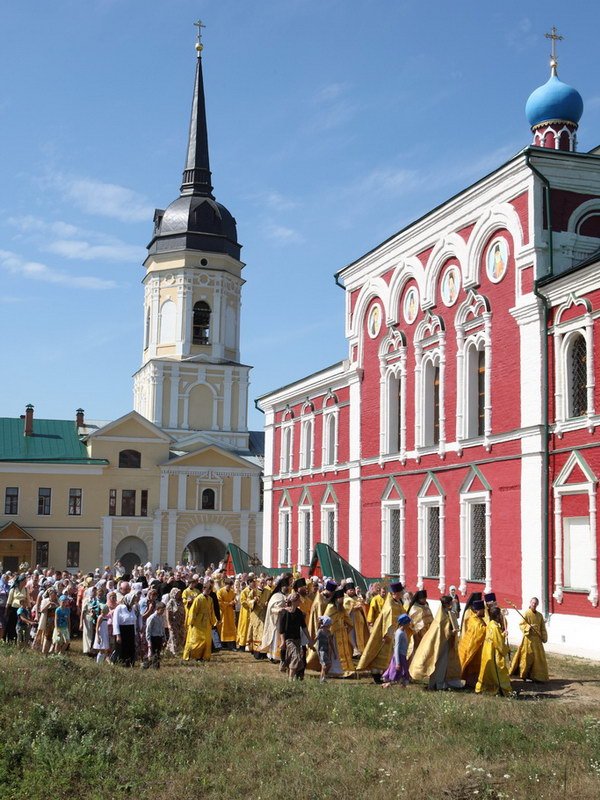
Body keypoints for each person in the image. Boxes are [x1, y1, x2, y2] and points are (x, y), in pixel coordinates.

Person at [409, 595, 463, 690]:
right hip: (440, 644)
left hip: (445, 643)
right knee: (439, 664)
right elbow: (442, 631)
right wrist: (451, 632)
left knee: (442, 664)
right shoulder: (442, 617)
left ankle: (436, 684)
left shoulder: (448, 614)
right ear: (447, 604)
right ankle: (438, 684)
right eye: (451, 603)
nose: (452, 605)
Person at [357, 581, 405, 683]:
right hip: (385, 633)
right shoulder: (390, 604)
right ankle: (376, 675)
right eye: (400, 592)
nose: (402, 594)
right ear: (395, 593)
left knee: (390, 654)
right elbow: (387, 619)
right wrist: (386, 633)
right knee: (379, 653)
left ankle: (388, 674)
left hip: (394, 633)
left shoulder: (398, 602)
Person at [509, 597, 549, 683]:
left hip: (537, 641)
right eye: (533, 603)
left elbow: (543, 628)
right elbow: (521, 624)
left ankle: (537, 676)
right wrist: (528, 628)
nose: (534, 604)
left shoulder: (539, 615)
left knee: (538, 659)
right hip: (528, 639)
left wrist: (544, 637)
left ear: (537, 605)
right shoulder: (526, 613)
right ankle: (524, 675)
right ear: (530, 603)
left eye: (535, 603)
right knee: (527, 658)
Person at [475, 606, 512, 696]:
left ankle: (482, 688)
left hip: (487, 649)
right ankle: (503, 690)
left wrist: (503, 634)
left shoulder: (491, 624)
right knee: (499, 670)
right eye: (499, 615)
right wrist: (506, 649)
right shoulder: (495, 627)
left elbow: (495, 637)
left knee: (488, 670)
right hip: (493, 651)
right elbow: (498, 642)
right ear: (497, 615)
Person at [277, 592, 313, 681]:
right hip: (288, 640)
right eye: (298, 600)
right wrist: (282, 641)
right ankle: (290, 679)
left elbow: (304, 627)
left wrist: (309, 639)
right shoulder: (284, 613)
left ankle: (290, 675)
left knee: (293, 658)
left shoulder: (299, 613)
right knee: (296, 657)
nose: (300, 602)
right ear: (293, 601)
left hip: (297, 639)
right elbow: (281, 629)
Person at [260, 574, 292, 662]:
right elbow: (271, 609)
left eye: (287, 586)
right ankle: (273, 656)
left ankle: (282, 655)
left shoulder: (287, 595)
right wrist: (280, 609)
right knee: (276, 638)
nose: (287, 588)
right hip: (276, 621)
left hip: (285, 620)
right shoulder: (275, 596)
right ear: (281, 586)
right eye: (285, 586)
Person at [183, 580, 217, 662]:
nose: (208, 592)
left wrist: (213, 622)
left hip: (207, 622)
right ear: (203, 589)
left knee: (206, 640)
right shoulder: (198, 599)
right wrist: (191, 622)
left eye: (210, 590)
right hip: (198, 622)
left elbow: (212, 611)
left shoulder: (210, 599)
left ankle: (204, 656)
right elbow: (193, 611)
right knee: (196, 639)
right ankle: (194, 656)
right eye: (207, 590)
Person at [458, 599, 487, 689]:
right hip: (472, 647)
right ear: (478, 610)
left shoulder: (477, 619)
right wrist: (490, 628)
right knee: (470, 665)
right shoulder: (474, 620)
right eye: (482, 610)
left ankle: (471, 682)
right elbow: (480, 631)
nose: (484, 612)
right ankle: (470, 683)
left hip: (475, 646)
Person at [382, 613, 412, 688]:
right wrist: (397, 663)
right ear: (404, 623)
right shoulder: (399, 633)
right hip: (399, 656)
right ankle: (387, 685)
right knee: (396, 672)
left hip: (403, 655)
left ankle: (403, 686)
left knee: (403, 672)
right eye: (408, 623)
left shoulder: (403, 632)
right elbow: (396, 647)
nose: (409, 624)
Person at [113, 591, 140, 667]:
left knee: (130, 648)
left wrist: (134, 634)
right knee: (121, 648)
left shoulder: (132, 609)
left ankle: (130, 663)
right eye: (132, 600)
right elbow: (115, 622)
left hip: (130, 631)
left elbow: (134, 622)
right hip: (122, 631)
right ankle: (120, 663)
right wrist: (118, 635)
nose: (133, 602)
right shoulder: (119, 608)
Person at [343, 581, 370, 657]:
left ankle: (360, 650)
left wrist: (361, 606)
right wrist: (355, 607)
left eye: (352, 590)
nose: (352, 591)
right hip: (351, 620)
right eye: (350, 590)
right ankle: (355, 649)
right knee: (352, 635)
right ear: (346, 591)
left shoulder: (356, 598)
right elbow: (346, 609)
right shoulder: (346, 599)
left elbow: (362, 606)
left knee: (359, 635)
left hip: (359, 620)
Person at [407, 589, 433, 661]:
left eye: (425, 598)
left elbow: (431, 618)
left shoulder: (426, 606)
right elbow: (412, 623)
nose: (425, 600)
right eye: (423, 598)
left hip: (427, 633)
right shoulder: (414, 608)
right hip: (418, 634)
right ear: (419, 599)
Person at [145, 601, 167, 669]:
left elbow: (162, 628)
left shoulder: (161, 617)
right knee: (153, 653)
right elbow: (148, 630)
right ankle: (149, 666)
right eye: (161, 610)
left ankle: (156, 667)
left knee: (158, 653)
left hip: (159, 637)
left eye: (163, 610)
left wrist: (164, 638)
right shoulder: (152, 618)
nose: (163, 612)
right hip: (153, 637)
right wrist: (149, 641)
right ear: (157, 609)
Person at [217, 578, 237, 650]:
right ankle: (223, 644)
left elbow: (234, 599)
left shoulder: (232, 592)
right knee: (223, 627)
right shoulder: (220, 591)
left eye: (230, 585)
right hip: (224, 612)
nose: (229, 586)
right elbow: (219, 602)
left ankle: (231, 644)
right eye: (228, 585)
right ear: (225, 584)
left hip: (230, 612)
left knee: (231, 627)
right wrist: (229, 603)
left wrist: (234, 601)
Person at [165, 588, 186, 657]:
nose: (178, 595)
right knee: (174, 637)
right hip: (174, 622)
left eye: (179, 593)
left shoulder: (180, 602)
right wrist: (169, 624)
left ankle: (169, 649)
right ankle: (174, 652)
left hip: (181, 622)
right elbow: (168, 613)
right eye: (177, 593)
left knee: (181, 636)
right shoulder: (171, 602)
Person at [315, 615, 334, 683]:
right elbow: (315, 639)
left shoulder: (328, 632)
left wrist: (334, 652)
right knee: (325, 664)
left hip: (326, 650)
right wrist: (311, 645)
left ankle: (322, 678)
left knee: (326, 665)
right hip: (321, 650)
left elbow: (331, 642)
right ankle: (322, 678)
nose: (330, 626)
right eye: (329, 624)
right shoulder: (320, 631)